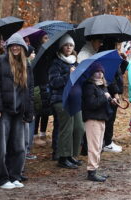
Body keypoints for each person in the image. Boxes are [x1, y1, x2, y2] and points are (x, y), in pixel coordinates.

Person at [0, 33, 34, 189]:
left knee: (19, 146)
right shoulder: (0, 62)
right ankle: (1, 179)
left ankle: (15, 175)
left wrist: (29, 111)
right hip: (4, 111)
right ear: (9, 47)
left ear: (23, 48)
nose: (15, 48)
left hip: (19, 111)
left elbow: (29, 90)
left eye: (18, 45)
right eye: (12, 45)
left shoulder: (27, 65)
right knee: (1, 147)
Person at [49, 34, 84, 169]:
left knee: (79, 127)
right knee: (67, 128)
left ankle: (72, 155)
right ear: (61, 47)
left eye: (71, 45)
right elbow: (54, 82)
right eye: (66, 45)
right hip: (61, 99)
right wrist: (68, 75)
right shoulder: (56, 63)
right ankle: (63, 157)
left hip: (75, 99)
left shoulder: (76, 62)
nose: (69, 47)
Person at [82, 62, 112, 182]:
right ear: (92, 73)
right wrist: (104, 97)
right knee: (94, 146)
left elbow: (102, 101)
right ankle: (91, 171)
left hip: (101, 118)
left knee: (99, 146)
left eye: (101, 72)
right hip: (92, 119)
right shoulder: (89, 86)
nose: (99, 74)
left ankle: (95, 169)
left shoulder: (101, 86)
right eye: (97, 72)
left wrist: (111, 99)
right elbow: (91, 104)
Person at [77, 36, 103, 156]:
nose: (100, 44)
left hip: (92, 88)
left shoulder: (93, 53)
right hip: (85, 90)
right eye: (99, 41)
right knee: (87, 120)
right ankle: (85, 147)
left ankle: (89, 146)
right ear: (93, 41)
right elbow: (82, 72)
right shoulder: (84, 54)